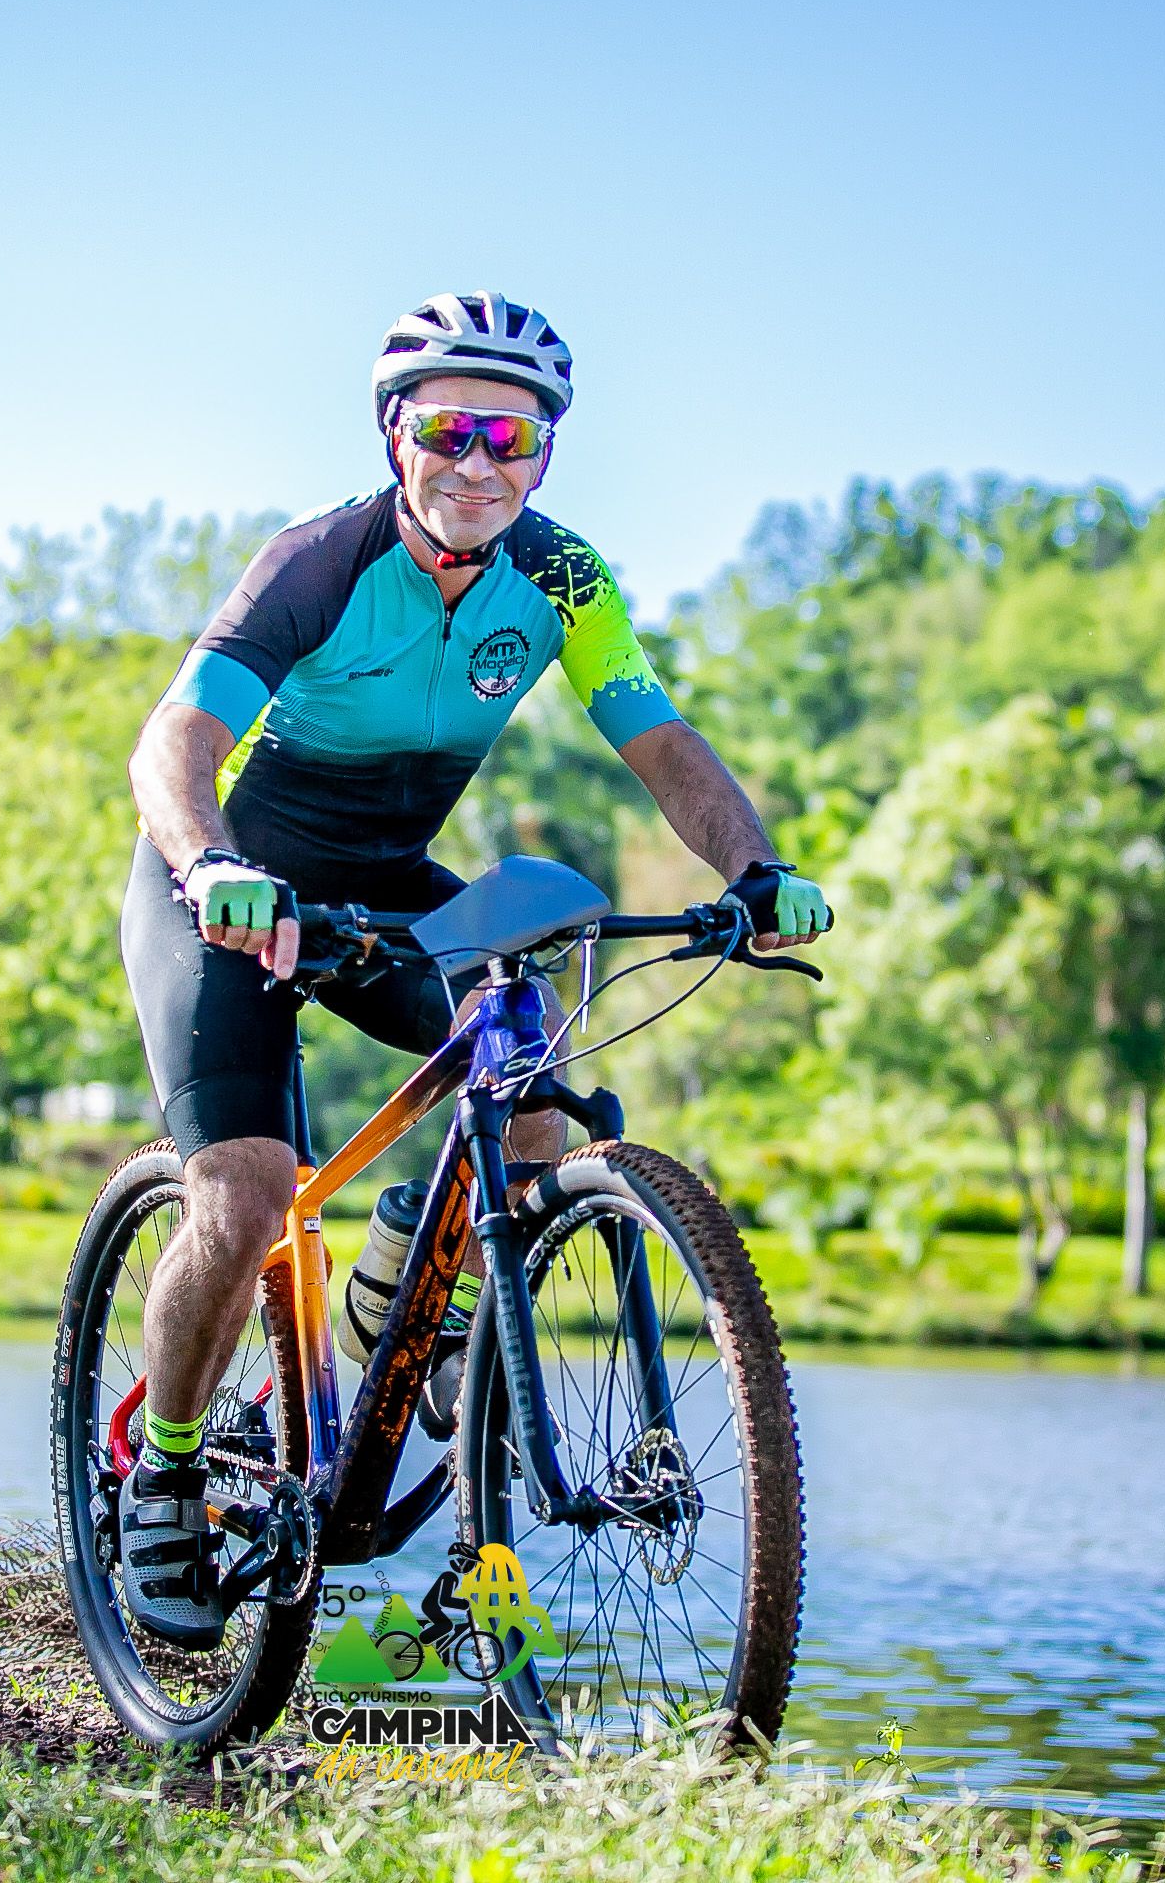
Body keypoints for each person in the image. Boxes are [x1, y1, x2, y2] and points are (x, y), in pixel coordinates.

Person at [112, 291, 831, 1647]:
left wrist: (753, 869)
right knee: (247, 1191)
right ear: (398, 436)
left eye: (513, 438)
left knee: (533, 1081)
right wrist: (209, 866)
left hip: (387, 883)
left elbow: (661, 741)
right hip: (230, 887)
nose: (481, 463)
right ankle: (169, 1470)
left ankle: (417, 1305)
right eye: (452, 431)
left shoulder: (563, 579)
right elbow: (175, 743)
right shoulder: (318, 564)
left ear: (546, 457)